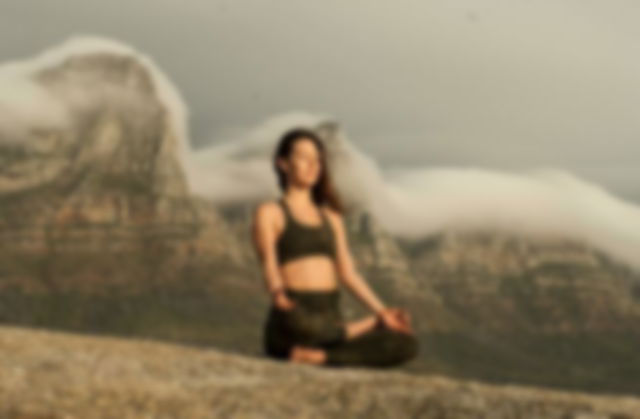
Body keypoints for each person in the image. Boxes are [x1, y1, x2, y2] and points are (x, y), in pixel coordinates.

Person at [251, 127, 419, 368]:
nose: (313, 165)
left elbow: (348, 273)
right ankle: (358, 330)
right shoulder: (270, 212)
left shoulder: (332, 217)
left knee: (405, 344)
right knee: (304, 326)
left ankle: (320, 357)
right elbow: (267, 261)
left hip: (331, 318)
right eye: (303, 158)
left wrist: (383, 313)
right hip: (295, 314)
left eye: (317, 159)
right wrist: (277, 293)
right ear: (283, 163)